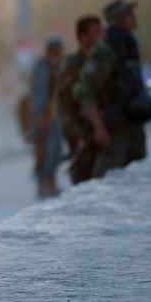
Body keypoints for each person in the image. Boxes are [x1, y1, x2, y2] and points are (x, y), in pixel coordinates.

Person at [74, 0, 151, 179]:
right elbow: (85, 90)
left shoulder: (130, 44)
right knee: (104, 186)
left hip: (133, 127)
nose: (134, 17)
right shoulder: (105, 49)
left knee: (136, 184)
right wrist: (99, 128)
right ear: (118, 19)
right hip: (115, 130)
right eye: (128, 14)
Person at [54, 15, 103, 184]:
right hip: (82, 132)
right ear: (83, 37)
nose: (101, 36)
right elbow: (63, 104)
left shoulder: (102, 62)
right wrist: (75, 135)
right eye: (96, 32)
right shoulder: (72, 64)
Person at [30, 35, 64, 198]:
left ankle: (50, 182)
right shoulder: (43, 68)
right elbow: (40, 93)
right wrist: (40, 116)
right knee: (46, 150)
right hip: (44, 115)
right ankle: (44, 183)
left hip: (52, 113)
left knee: (54, 149)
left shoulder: (53, 66)